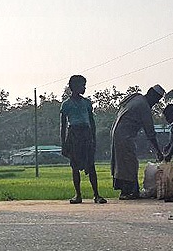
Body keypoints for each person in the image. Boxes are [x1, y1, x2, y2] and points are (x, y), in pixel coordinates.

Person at [110, 85, 165, 199]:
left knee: (123, 163)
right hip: (124, 135)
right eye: (156, 100)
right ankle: (128, 191)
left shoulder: (137, 97)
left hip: (118, 131)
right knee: (129, 163)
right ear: (151, 95)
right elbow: (150, 132)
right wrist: (158, 152)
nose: (155, 103)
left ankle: (129, 190)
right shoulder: (143, 106)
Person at [60, 75, 105, 204]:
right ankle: (78, 195)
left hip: (86, 134)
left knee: (91, 165)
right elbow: (63, 126)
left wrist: (93, 138)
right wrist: (63, 144)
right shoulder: (66, 105)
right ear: (73, 87)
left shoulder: (86, 103)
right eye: (82, 85)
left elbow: (91, 122)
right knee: (74, 166)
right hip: (74, 134)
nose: (84, 88)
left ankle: (96, 194)